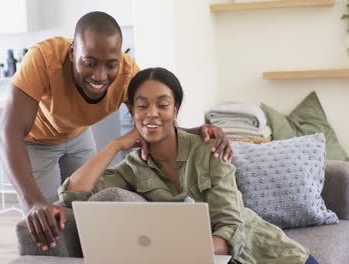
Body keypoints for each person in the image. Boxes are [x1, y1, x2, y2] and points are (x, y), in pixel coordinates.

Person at [0, 11, 233, 252]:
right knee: (47, 222)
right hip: (36, 141)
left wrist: (199, 131)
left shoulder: (128, 74)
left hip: (78, 135)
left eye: (110, 65)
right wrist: (34, 201)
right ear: (72, 54)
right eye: (89, 63)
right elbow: (10, 131)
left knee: (84, 211)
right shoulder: (43, 58)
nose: (100, 76)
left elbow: (153, 122)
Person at [58, 67, 319, 264]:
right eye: (142, 106)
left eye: (162, 105)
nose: (151, 113)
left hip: (269, 255)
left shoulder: (209, 148)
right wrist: (113, 145)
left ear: (175, 109)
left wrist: (178, 253)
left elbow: (231, 228)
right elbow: (72, 194)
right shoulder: (133, 168)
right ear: (132, 112)